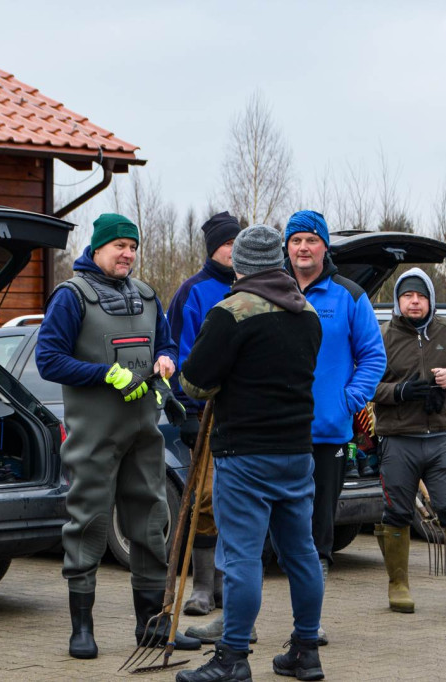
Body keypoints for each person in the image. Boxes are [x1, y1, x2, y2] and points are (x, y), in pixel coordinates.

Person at [35, 213, 201, 659]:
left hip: (145, 433)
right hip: (94, 435)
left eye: (133, 246)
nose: (127, 253)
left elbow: (166, 343)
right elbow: (48, 360)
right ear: (98, 248)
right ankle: (82, 629)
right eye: (119, 246)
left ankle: (151, 627)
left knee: (150, 523)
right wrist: (103, 374)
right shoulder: (72, 297)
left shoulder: (147, 296)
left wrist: (167, 360)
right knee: (87, 522)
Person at [175, 224, 325, 682]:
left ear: (238, 264)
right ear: (279, 261)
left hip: (244, 453)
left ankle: (232, 657)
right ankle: (305, 650)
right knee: (301, 552)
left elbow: (195, 382)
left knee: (240, 557)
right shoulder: (308, 312)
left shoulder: (231, 311)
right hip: (297, 451)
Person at [284, 209, 387, 642]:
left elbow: (374, 357)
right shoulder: (274, 291)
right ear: (286, 248)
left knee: (317, 537)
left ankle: (308, 627)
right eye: (296, 241)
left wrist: (347, 400)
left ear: (325, 247)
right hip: (279, 433)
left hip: (326, 435)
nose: (303, 248)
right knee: (278, 533)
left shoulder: (349, 295)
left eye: (311, 240)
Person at [371, 268, 446, 615]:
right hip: (398, 441)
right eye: (408, 296)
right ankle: (398, 585)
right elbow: (366, 384)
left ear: (430, 300)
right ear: (398, 301)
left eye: (420, 296)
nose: (414, 301)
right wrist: (399, 391)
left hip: (441, 439)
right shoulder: (383, 336)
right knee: (396, 511)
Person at [166, 211, 240, 616]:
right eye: (227, 244)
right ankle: (201, 587)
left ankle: (228, 586)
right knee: (206, 499)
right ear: (214, 248)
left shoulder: (254, 287)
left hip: (244, 413)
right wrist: (186, 411)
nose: (232, 250)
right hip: (206, 412)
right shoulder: (192, 291)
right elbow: (175, 352)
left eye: (237, 243)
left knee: (238, 500)